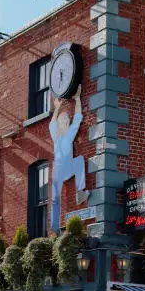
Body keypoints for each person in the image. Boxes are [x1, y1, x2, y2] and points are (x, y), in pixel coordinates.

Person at [49, 85, 89, 232]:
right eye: (63, 120)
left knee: (78, 161)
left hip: (64, 168)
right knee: (54, 200)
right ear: (60, 124)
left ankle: (80, 192)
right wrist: (57, 109)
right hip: (58, 170)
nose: (66, 122)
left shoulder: (67, 135)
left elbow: (77, 118)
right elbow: (52, 124)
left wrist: (78, 99)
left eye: (67, 120)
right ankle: (55, 227)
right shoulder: (57, 136)